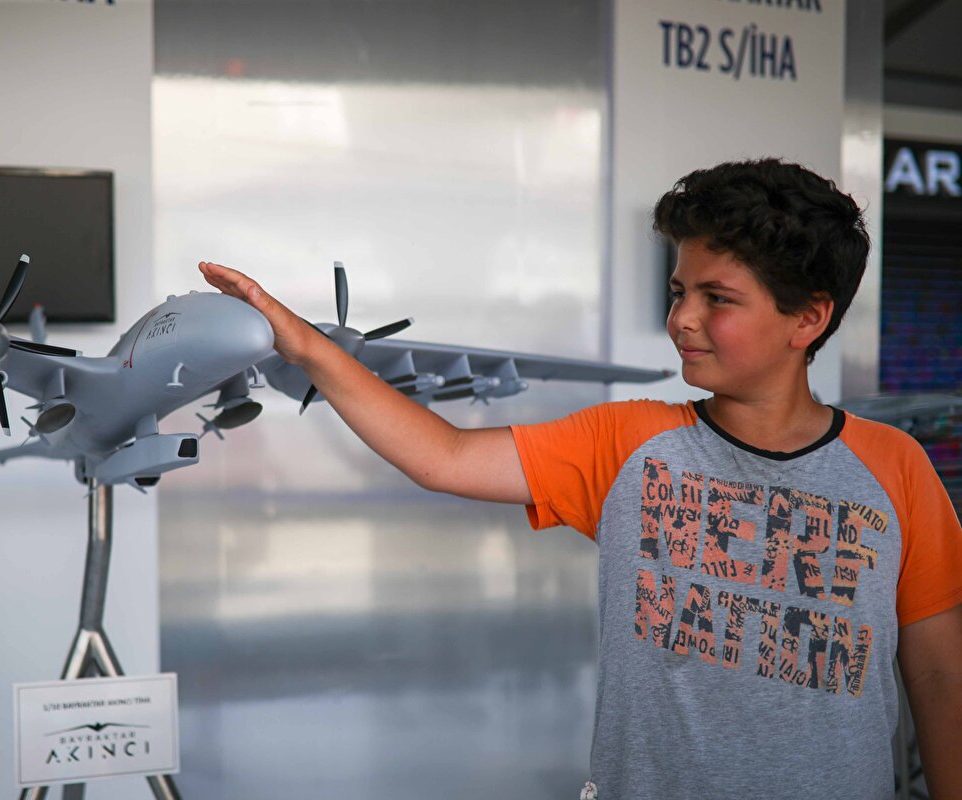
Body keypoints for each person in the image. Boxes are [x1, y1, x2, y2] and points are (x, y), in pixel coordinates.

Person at [198, 158, 962, 800]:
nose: (682, 319)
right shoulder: (630, 443)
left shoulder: (893, 467)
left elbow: (938, 674)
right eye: (679, 292)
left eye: (717, 298)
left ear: (809, 319)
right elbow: (443, 456)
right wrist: (308, 347)